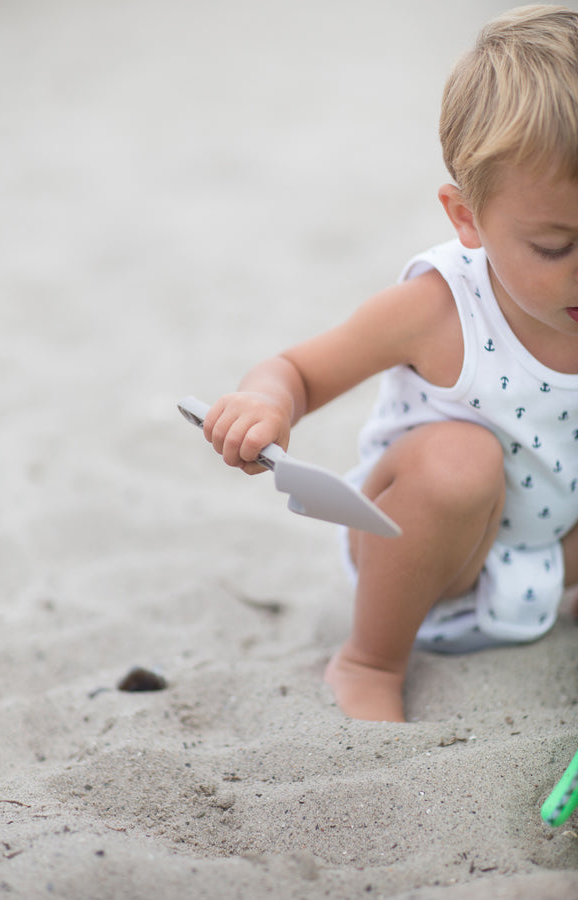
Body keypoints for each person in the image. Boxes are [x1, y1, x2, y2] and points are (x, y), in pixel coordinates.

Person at [200, 5, 578, 721]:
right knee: (459, 459)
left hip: (553, 554)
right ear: (467, 218)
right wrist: (266, 406)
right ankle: (370, 660)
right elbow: (297, 370)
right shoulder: (437, 310)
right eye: (557, 248)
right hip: (434, 564)